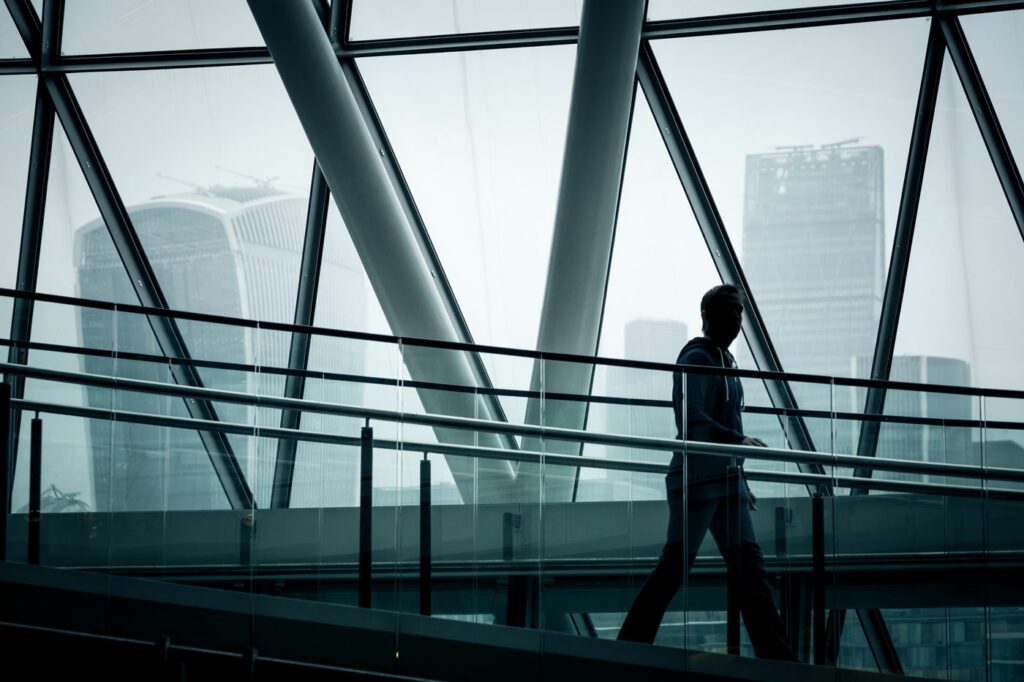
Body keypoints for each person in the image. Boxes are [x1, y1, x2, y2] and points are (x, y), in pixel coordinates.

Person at [617, 284, 795, 661]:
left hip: (722, 481)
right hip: (696, 481)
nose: (737, 319)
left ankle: (777, 657)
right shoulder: (698, 360)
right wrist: (738, 441)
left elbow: (718, 419)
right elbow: (692, 419)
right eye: (731, 312)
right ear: (708, 316)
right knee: (679, 565)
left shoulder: (724, 362)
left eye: (739, 313)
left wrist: (739, 478)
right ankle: (629, 646)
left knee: (748, 568)